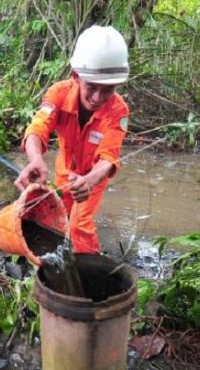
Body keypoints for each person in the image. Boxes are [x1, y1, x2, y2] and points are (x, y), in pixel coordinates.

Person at [14, 25, 130, 254]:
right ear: (76, 76)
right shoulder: (58, 93)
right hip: (64, 171)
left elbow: (109, 157)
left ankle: (87, 269)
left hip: (94, 178)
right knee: (59, 216)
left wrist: (89, 180)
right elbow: (37, 129)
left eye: (107, 90)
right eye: (91, 87)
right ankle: (60, 257)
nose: (98, 98)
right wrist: (35, 159)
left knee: (79, 225)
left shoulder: (119, 110)